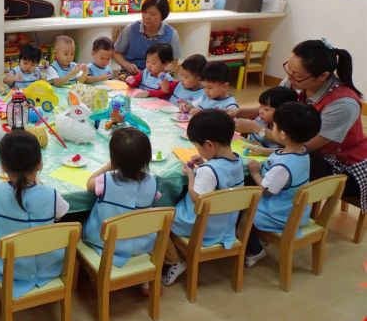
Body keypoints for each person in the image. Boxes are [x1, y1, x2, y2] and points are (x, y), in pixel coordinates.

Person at [234, 39, 367, 213]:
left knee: (272, 168)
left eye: (296, 74)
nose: (289, 76)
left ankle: (254, 214)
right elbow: (270, 107)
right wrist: (238, 112)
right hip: (302, 150)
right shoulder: (296, 82)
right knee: (263, 161)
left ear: (323, 76)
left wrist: (257, 130)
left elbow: (303, 146)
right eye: (288, 68)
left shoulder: (343, 104)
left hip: (341, 166)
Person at [0, 130, 69, 298]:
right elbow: (59, 216)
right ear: (39, 164)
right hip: (48, 266)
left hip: (7, 268)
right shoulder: (52, 195)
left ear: (3, 167)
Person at [164, 110, 244, 286]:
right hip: (226, 222)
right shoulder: (238, 160)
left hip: (202, 226)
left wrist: (191, 176)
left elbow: (197, 199)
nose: (197, 150)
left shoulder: (209, 171)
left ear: (209, 145)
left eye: (197, 146)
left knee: (161, 215)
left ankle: (176, 261)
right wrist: (206, 164)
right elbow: (222, 178)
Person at [83, 128, 160, 293]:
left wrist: (108, 167)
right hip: (142, 244)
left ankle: (93, 276)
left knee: (83, 224)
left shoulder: (106, 180)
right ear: (147, 159)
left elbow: (89, 183)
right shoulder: (152, 182)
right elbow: (156, 196)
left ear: (114, 159)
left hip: (107, 244)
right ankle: (146, 282)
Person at [244, 102, 321, 267]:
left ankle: (256, 249)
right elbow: (282, 153)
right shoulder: (303, 152)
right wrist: (264, 151)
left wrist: (255, 172)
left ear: (283, 134)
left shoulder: (282, 168)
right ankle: (259, 239)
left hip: (278, 215)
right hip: (294, 209)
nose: (273, 128)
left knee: (239, 211)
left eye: (275, 126)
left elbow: (266, 190)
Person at [113, 0, 181, 74]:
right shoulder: (130, 29)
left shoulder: (171, 34)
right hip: (131, 73)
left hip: (158, 74)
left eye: (152, 14)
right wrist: (127, 65)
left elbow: (174, 62)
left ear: (163, 16)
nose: (147, 17)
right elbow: (116, 53)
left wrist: (162, 71)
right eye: (144, 12)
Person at [234, 86, 298, 157]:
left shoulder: (286, 131)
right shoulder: (260, 120)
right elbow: (246, 131)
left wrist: (262, 150)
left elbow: (288, 151)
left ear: (283, 112)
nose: (260, 111)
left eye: (266, 109)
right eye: (260, 107)